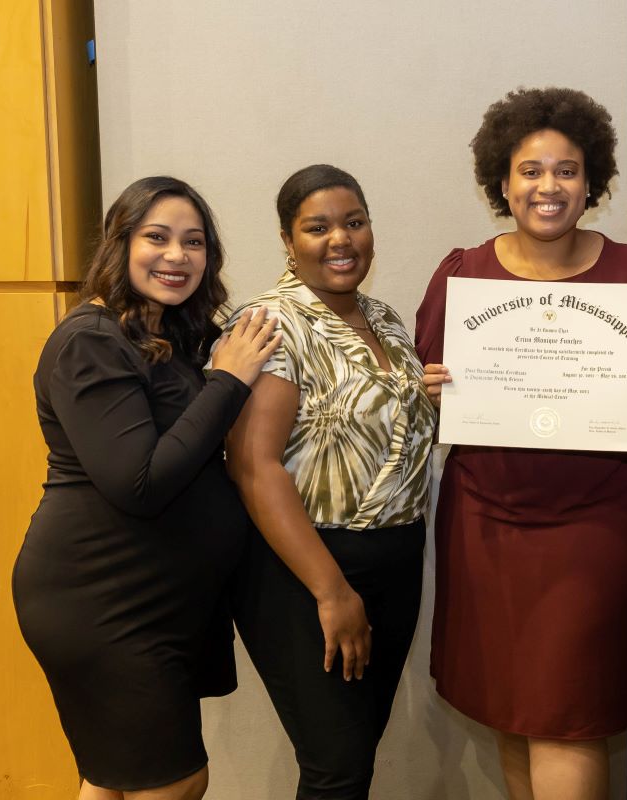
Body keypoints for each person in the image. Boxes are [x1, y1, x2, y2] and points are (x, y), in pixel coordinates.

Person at [415, 87, 627, 800]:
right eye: (531, 171)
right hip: (486, 522)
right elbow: (425, 380)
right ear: (502, 183)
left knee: (567, 715)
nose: (549, 187)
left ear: (593, 181)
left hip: (595, 527)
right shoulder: (463, 275)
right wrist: (432, 387)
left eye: (567, 170)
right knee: (514, 709)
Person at [12, 176, 281, 799]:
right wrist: (228, 381)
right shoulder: (90, 341)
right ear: (120, 244)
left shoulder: (170, 338)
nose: (176, 255)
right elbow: (140, 483)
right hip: (101, 602)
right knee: (176, 782)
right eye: (156, 237)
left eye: (193, 242)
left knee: (112, 783)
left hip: (155, 601)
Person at [222, 165, 436, 800]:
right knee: (336, 766)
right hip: (304, 566)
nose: (340, 239)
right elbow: (253, 466)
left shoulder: (388, 321)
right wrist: (331, 591)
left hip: (395, 559)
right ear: (289, 242)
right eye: (318, 228)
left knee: (354, 755)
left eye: (354, 222)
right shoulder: (269, 324)